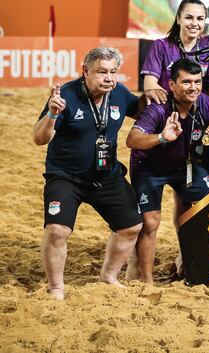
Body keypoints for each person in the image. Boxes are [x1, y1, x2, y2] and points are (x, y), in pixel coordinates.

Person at [31, 47, 163, 299]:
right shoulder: (66, 95)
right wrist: (51, 114)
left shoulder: (119, 93)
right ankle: (56, 287)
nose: (109, 78)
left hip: (106, 175)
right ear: (85, 71)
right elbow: (39, 138)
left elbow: (144, 111)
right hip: (66, 176)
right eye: (102, 72)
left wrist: (150, 94)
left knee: (131, 226)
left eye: (114, 72)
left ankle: (108, 277)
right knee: (58, 230)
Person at [126, 59, 209, 284]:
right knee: (150, 222)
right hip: (149, 167)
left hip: (187, 167)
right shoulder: (158, 106)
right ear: (172, 85)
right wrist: (162, 137)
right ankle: (147, 281)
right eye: (186, 82)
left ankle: (194, 268)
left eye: (197, 82)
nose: (193, 87)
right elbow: (131, 140)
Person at [141, 0, 209, 101]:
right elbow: (150, 85)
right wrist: (179, 106)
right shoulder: (161, 46)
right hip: (167, 109)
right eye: (189, 17)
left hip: (198, 112)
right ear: (178, 19)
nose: (195, 23)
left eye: (200, 19)